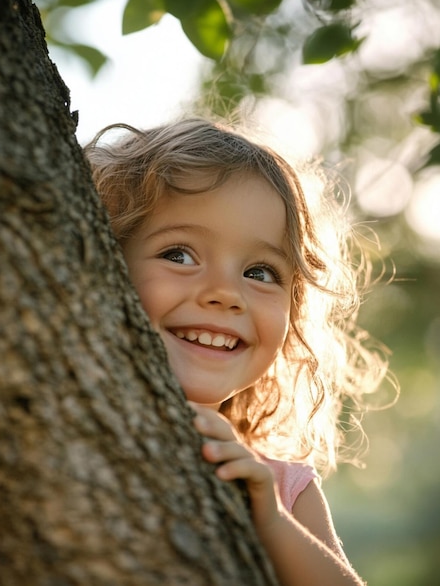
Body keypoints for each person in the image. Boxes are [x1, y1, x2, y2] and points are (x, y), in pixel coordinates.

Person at [84, 117, 390, 585]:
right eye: (179, 254)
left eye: (261, 272)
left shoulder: (282, 487)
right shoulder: (66, 422)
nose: (225, 294)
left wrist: (269, 520)